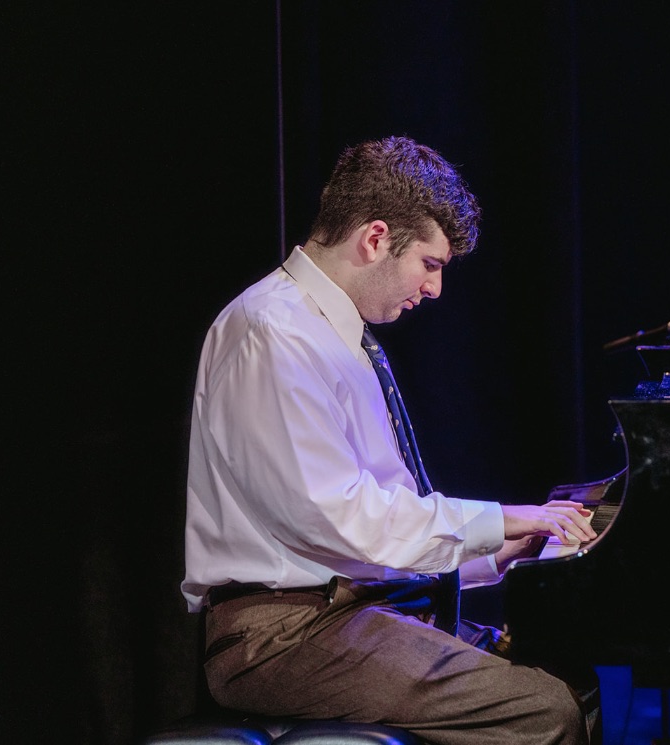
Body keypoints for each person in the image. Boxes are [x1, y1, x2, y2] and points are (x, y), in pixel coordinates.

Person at [181, 135, 600, 745]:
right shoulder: (274, 331)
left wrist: (489, 557)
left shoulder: (336, 334)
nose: (435, 290)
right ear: (375, 239)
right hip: (281, 637)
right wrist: (499, 519)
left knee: (563, 671)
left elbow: (364, 526)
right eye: (429, 264)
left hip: (342, 612)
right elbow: (333, 514)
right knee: (539, 710)